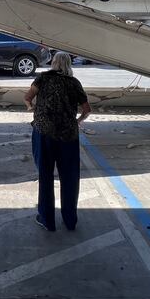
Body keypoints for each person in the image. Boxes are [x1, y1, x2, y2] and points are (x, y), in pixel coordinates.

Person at [23, 52, 91, 232]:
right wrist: (77, 121)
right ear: (69, 64)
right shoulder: (74, 83)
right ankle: (70, 221)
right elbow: (87, 109)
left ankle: (47, 220)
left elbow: (27, 98)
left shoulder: (43, 78)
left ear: (53, 63)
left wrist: (32, 108)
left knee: (45, 176)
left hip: (44, 132)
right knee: (70, 178)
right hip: (68, 135)